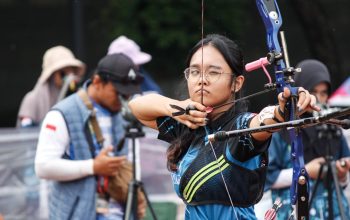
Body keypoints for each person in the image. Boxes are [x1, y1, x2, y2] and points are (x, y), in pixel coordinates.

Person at [128, 34, 319, 219]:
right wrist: (178, 108)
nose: (202, 79)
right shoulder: (187, 125)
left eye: (213, 72)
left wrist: (284, 110)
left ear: (236, 83)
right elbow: (137, 106)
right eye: (194, 71)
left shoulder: (241, 128)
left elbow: (264, 121)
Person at [35, 53, 146, 220]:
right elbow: (42, 167)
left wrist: (136, 199)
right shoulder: (62, 114)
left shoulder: (125, 113)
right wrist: (93, 167)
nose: (125, 99)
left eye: (128, 94)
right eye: (119, 92)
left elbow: (133, 162)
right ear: (97, 82)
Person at [266, 59, 350, 219]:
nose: (318, 98)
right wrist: (304, 172)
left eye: (323, 93)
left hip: (335, 210)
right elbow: (267, 177)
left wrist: (341, 174)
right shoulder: (283, 129)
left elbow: (342, 182)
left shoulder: (333, 128)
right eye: (313, 91)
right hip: (296, 210)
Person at [17, 45, 86, 127]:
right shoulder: (32, 99)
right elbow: (25, 132)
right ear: (51, 74)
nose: (69, 76)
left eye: (71, 70)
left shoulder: (77, 97)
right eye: (63, 73)